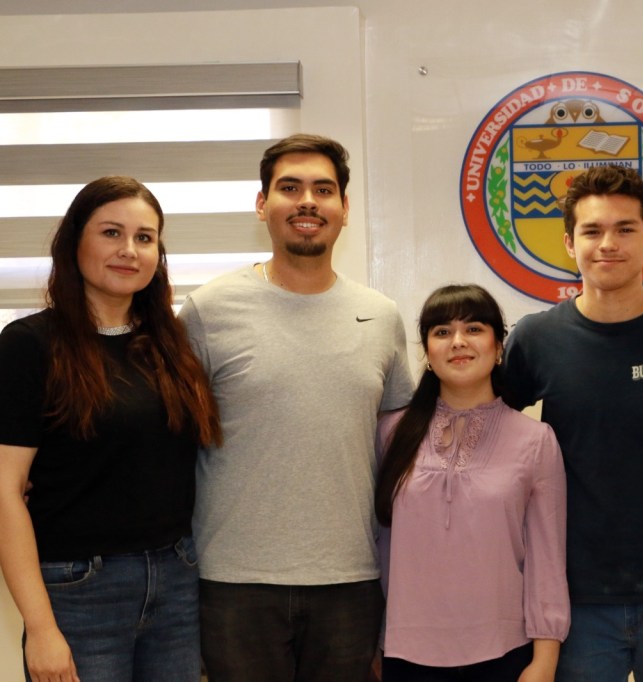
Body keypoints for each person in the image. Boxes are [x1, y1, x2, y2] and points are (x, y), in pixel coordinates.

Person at [178, 133, 415, 682]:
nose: (308, 201)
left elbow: (401, 442)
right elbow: (164, 432)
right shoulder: (208, 311)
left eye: (323, 189)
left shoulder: (380, 317)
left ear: (345, 209)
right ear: (262, 204)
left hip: (351, 583)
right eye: (290, 187)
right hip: (234, 583)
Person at [0, 176, 222, 682]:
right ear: (75, 242)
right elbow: (0, 491)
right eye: (111, 233)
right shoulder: (28, 345)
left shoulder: (170, 345)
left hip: (176, 579)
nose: (129, 251)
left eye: (144, 237)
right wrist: (42, 629)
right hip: (76, 589)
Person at [501, 165, 643, 682]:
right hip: (574, 596)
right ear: (569, 243)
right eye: (592, 230)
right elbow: (491, 438)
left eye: (626, 229)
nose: (609, 244)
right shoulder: (536, 339)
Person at [374, 284, 570, 682]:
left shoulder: (536, 440)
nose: (458, 342)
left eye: (474, 329)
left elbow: (546, 560)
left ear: (499, 347)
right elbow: (376, 546)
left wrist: (545, 658)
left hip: (504, 654)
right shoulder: (389, 433)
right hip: (404, 655)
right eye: (442, 331)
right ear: (427, 352)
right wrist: (372, 643)